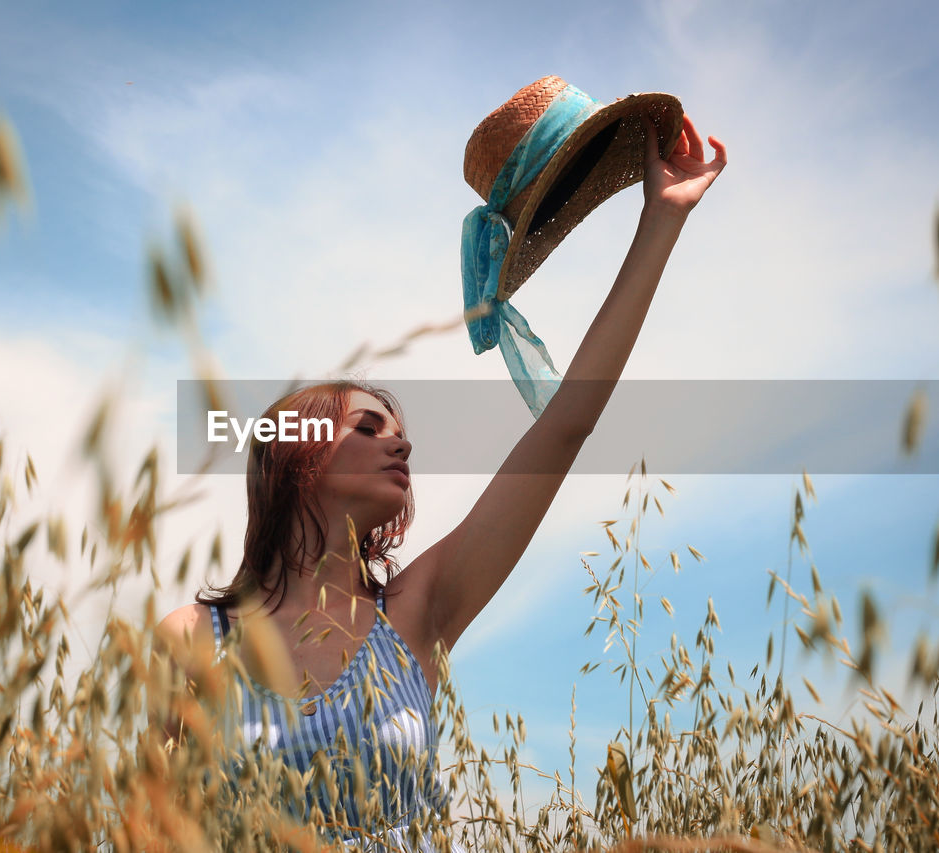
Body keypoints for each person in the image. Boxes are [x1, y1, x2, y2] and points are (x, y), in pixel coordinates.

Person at [157, 103, 726, 850]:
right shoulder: (194, 638)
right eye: (368, 428)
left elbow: (564, 427)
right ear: (294, 456)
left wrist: (663, 221)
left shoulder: (416, 611)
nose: (402, 444)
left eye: (398, 430)